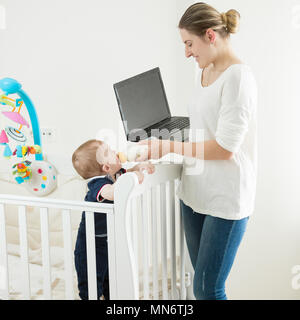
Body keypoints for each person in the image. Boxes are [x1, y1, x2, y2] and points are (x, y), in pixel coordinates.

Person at [136, 2, 257, 300]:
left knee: (207, 289)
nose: (187, 52)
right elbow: (205, 124)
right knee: (197, 284)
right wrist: (161, 137)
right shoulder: (204, 71)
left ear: (210, 35)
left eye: (190, 43)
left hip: (225, 200)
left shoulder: (238, 78)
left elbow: (226, 148)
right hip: (194, 193)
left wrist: (167, 144)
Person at [72, 139, 154, 300]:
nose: (115, 151)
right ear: (106, 167)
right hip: (89, 245)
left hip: (106, 242)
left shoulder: (115, 175)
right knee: (91, 284)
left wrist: (137, 168)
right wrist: (134, 176)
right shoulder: (97, 184)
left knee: (110, 279)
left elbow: (125, 177)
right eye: (109, 151)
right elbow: (112, 192)